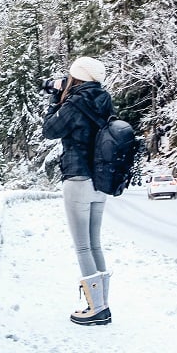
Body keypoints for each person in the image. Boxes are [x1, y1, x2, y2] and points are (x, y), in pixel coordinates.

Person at [42, 56, 114, 326]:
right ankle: (102, 305)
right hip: (100, 182)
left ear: (78, 77)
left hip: (78, 178)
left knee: (83, 246)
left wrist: (56, 98)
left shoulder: (75, 103)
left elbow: (50, 130)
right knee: (95, 243)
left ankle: (96, 309)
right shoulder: (105, 100)